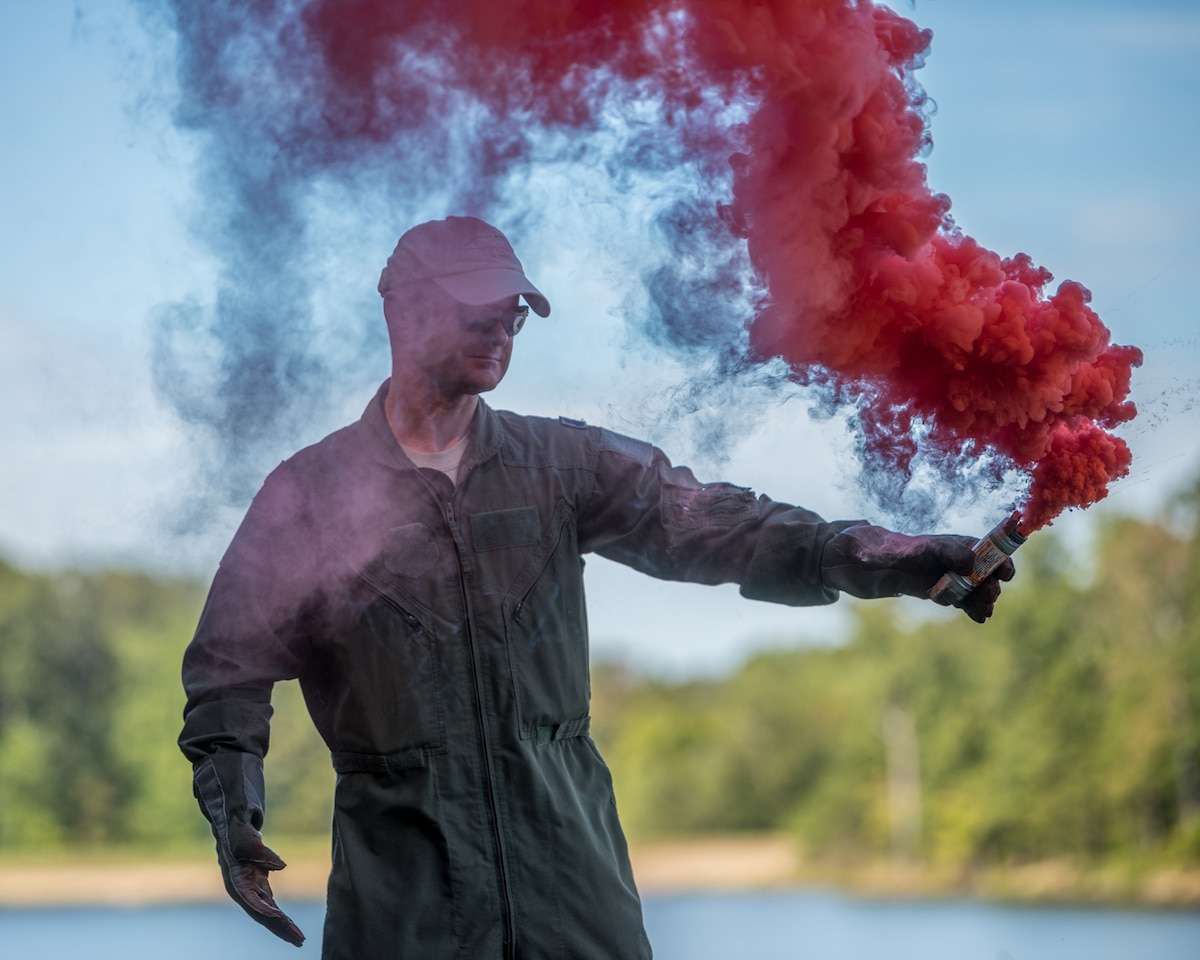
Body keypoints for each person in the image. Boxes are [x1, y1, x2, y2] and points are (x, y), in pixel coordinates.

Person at [179, 216, 1013, 959]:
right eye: (476, 304)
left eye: (512, 310)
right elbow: (228, 665)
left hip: (574, 893)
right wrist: (234, 817)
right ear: (403, 310)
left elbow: (723, 524)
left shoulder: (562, 466)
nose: (500, 326)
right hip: (404, 907)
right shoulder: (310, 494)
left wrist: (879, 555)